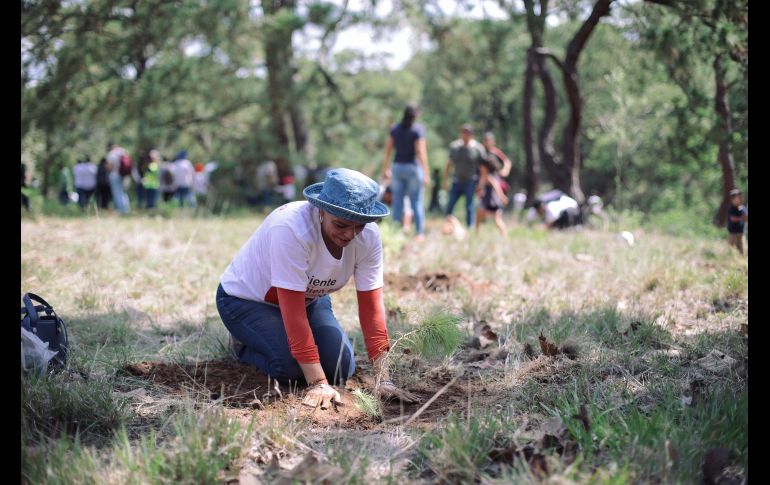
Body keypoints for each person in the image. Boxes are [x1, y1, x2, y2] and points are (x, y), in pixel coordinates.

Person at [216, 168, 419, 410]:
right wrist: (318, 382)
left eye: (359, 226)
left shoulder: (369, 238)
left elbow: (371, 308)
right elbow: (292, 312)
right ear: (321, 210)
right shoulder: (292, 229)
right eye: (341, 225)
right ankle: (242, 345)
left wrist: (383, 379)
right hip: (247, 301)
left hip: (310, 299)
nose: (350, 235)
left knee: (342, 367)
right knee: (291, 369)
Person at [382, 103, 430, 241]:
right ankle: (419, 233)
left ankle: (395, 233)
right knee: (416, 202)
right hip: (413, 168)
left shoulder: (395, 129)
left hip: (397, 168)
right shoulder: (418, 130)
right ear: (416, 115)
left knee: (397, 202)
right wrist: (426, 172)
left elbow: (388, 150)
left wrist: (385, 168)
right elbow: (421, 152)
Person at [444, 124, 487, 229]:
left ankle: (469, 227)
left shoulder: (478, 148)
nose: (465, 135)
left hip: (470, 181)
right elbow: (449, 164)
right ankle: (448, 226)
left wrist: (481, 184)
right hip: (456, 180)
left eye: (467, 133)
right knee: (450, 205)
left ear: (471, 135)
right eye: (463, 132)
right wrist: (445, 179)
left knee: (469, 206)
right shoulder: (455, 147)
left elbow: (483, 169)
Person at [475, 150, 509, 237]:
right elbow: (480, 188)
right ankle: (477, 233)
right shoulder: (486, 176)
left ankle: (477, 233)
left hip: (491, 201)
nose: (480, 168)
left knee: (496, 219)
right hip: (489, 201)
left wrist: (502, 197)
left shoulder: (489, 176)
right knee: (480, 216)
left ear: (486, 167)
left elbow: (496, 186)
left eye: (482, 167)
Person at [105, 143, 130, 214]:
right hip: (124, 175)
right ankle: (126, 209)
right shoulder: (123, 152)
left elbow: (110, 166)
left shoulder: (112, 154)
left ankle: (121, 210)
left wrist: (107, 168)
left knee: (117, 193)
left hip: (115, 175)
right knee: (123, 193)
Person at [727, 188, 748, 255]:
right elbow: (733, 219)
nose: (739, 199)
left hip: (741, 233)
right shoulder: (732, 208)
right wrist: (742, 218)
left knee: (743, 252)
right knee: (732, 252)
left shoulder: (743, 208)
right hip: (733, 234)